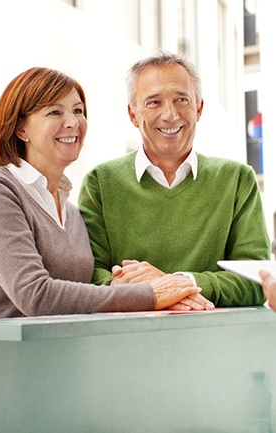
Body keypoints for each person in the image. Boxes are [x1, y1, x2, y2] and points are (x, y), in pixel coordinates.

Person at [0, 66, 204, 320]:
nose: (72, 122)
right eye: (54, 112)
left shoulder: (71, 211)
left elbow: (81, 294)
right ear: (21, 129)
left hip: (61, 355)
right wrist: (150, 294)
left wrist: (130, 286)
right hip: (0, 357)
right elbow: (35, 295)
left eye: (78, 111)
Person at [78, 50, 271, 310]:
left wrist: (177, 282)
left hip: (216, 343)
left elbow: (256, 281)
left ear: (198, 108)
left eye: (181, 99)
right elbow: (90, 276)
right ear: (133, 114)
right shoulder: (100, 182)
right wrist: (155, 293)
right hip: (126, 342)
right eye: (154, 102)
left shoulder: (237, 180)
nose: (170, 114)